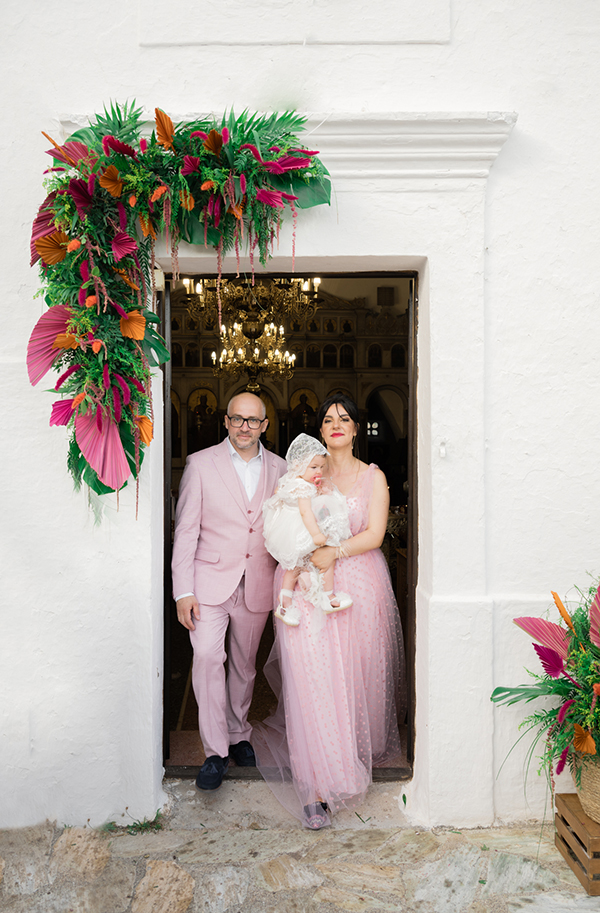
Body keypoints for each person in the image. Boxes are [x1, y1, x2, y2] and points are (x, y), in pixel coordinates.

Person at [252, 394, 406, 829]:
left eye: (345, 418)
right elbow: (279, 523)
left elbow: (375, 534)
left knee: (353, 676)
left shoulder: (373, 477)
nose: (336, 424)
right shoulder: (304, 477)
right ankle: (316, 785)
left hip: (358, 582)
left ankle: (346, 758)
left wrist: (333, 552)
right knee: (314, 682)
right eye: (327, 419)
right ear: (319, 430)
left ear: (356, 428)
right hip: (306, 587)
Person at [172, 392, 287, 790]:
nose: (245, 427)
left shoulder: (281, 469)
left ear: (264, 426)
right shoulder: (201, 464)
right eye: (237, 419)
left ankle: (239, 735)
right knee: (206, 657)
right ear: (225, 422)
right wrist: (182, 590)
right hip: (208, 583)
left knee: (244, 665)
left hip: (257, 580)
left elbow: (287, 529)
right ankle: (215, 752)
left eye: (253, 420)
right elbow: (185, 530)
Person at [262, 433, 353, 628]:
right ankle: (328, 597)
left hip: (287, 532)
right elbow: (306, 514)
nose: (318, 471)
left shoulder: (290, 481)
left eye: (321, 467)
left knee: (293, 567)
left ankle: (284, 606)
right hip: (303, 528)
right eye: (313, 467)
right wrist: (317, 535)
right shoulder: (303, 487)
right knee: (326, 557)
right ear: (299, 466)